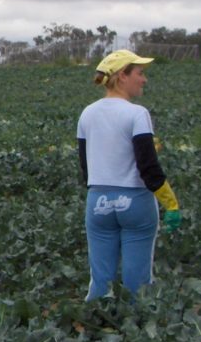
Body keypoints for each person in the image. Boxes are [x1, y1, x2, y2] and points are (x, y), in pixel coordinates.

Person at [77, 49, 182, 301]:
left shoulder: (87, 113)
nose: (143, 79)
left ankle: (96, 327)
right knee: (138, 283)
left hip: (98, 202)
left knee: (100, 280)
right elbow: (148, 167)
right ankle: (137, 329)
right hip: (135, 203)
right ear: (122, 76)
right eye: (139, 73)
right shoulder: (137, 114)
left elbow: (86, 167)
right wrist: (171, 203)